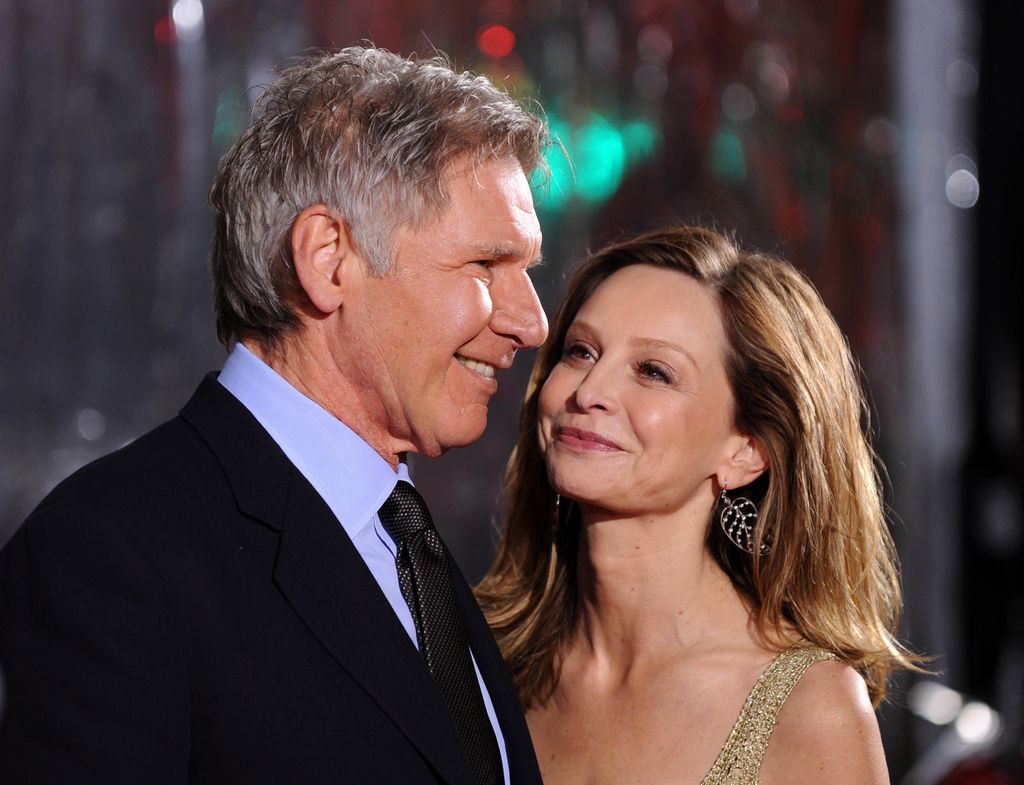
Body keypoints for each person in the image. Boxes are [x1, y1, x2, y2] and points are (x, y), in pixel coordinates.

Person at [0, 47, 549, 785]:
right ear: (328, 260)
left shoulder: (404, 536)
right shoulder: (111, 555)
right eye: (487, 265)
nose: (533, 322)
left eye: (528, 271)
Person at [477, 226, 922, 784]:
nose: (589, 391)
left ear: (746, 451)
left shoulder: (810, 708)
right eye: (581, 350)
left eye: (653, 372)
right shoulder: (483, 662)